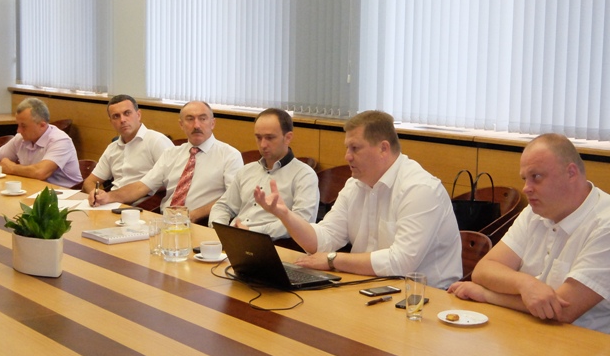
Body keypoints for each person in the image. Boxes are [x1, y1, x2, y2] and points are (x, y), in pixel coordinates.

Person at [253, 110, 462, 288]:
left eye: (355, 148)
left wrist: (333, 260)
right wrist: (285, 215)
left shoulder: (419, 189)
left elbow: (400, 263)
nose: (347, 156)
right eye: (347, 148)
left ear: (383, 149)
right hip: (371, 285)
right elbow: (324, 240)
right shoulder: (355, 184)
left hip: (425, 297)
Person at [448, 133, 610, 333]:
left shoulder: (605, 224)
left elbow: (563, 310)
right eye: (525, 179)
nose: (526, 188)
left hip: (584, 343)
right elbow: (484, 270)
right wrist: (525, 284)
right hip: (527, 331)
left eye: (536, 177)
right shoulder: (535, 211)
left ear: (571, 173)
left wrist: (488, 295)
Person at [91, 101, 243, 223]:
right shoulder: (171, 154)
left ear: (212, 123)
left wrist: (193, 215)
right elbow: (141, 187)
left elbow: (233, 198)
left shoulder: (229, 156)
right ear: (181, 124)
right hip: (165, 221)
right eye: (190, 119)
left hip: (201, 223)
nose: (196, 125)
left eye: (203, 119)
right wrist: (108, 197)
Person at [209, 108, 319, 240]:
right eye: (258, 137)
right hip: (233, 238)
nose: (263, 144)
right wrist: (219, 229)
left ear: (288, 138)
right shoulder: (246, 170)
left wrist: (251, 232)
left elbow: (302, 222)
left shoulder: (304, 175)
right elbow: (223, 206)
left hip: (272, 243)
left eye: (270, 138)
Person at [0, 97, 81, 187]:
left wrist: (12, 168)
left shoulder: (60, 140)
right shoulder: (21, 138)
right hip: (34, 189)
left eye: (23, 126)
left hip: (65, 195)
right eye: (18, 125)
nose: (18, 130)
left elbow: (40, 172)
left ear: (42, 125)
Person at [82, 95, 173, 200]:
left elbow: (171, 180)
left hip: (144, 201)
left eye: (127, 113)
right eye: (116, 116)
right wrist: (95, 193)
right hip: (112, 200)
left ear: (138, 115)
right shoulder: (112, 148)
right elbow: (90, 181)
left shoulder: (156, 141)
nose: (122, 120)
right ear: (111, 122)